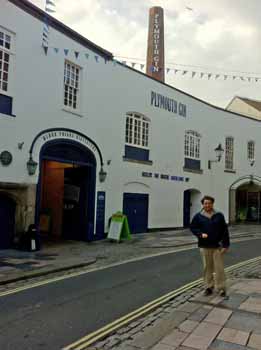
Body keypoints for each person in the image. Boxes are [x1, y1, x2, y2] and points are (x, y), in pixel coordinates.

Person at [190, 195, 230, 297]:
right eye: (205, 203)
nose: (207, 205)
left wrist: (226, 244)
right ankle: (209, 287)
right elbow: (193, 227)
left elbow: (224, 230)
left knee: (219, 268)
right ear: (203, 204)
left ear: (212, 204)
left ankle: (221, 288)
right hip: (204, 246)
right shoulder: (198, 216)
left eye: (209, 203)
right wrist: (200, 234)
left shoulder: (219, 215)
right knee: (207, 268)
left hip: (217, 246)